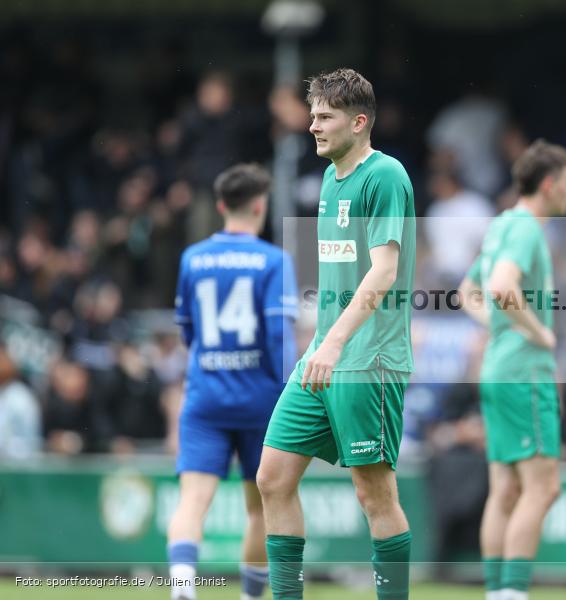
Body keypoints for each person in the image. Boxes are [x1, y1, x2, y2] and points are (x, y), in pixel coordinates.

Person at [255, 68, 416, 600]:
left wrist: (334, 341)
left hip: (367, 359)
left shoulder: (385, 176)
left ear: (359, 121)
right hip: (322, 358)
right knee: (272, 478)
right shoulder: (330, 178)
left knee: (374, 495)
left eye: (325, 117)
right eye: (313, 115)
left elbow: (384, 271)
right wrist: (319, 339)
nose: (313, 126)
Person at [167, 163, 299, 600]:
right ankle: (250, 596)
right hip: (261, 400)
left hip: (205, 396)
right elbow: (279, 334)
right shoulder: (274, 261)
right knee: (261, 506)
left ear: (222, 205)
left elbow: (187, 330)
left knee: (193, 500)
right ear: (261, 205)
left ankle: (184, 588)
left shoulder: (193, 258)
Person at [458, 139, 566, 600]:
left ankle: (498, 591)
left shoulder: (502, 225)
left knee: (506, 488)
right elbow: (503, 287)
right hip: (524, 372)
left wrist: (500, 327)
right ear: (547, 185)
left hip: (498, 369)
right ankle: (512, 592)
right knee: (542, 489)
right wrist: (535, 332)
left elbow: (467, 291)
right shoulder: (526, 228)